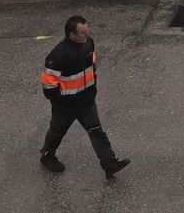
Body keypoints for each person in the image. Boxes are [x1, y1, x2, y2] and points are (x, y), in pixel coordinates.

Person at [39, 15, 130, 180]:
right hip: (65, 105)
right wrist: (59, 102)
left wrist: (91, 90)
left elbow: (91, 66)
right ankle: (47, 155)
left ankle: (109, 164)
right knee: (57, 131)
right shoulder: (57, 56)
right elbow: (49, 84)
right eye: (82, 33)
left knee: (96, 131)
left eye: (87, 31)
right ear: (71, 35)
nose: (86, 35)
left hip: (86, 100)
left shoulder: (89, 43)